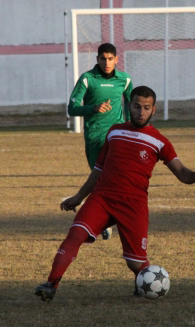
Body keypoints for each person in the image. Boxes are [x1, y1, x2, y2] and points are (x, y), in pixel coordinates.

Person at [35, 86, 195, 302]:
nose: (141, 112)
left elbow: (182, 173)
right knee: (75, 234)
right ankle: (51, 284)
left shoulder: (160, 141)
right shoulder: (115, 131)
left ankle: (143, 283)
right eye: (136, 106)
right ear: (129, 106)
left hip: (133, 205)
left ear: (153, 110)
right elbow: (98, 171)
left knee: (135, 263)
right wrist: (79, 197)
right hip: (102, 198)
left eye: (146, 108)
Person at [68, 43, 134, 240]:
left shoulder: (125, 79)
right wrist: (93, 108)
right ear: (97, 59)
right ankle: (101, 221)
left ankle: (110, 222)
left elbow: (131, 103)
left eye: (110, 58)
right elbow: (72, 108)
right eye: (103, 58)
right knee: (99, 181)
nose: (107, 62)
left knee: (120, 179)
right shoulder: (87, 79)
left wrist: (131, 127)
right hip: (95, 137)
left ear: (116, 59)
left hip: (118, 136)